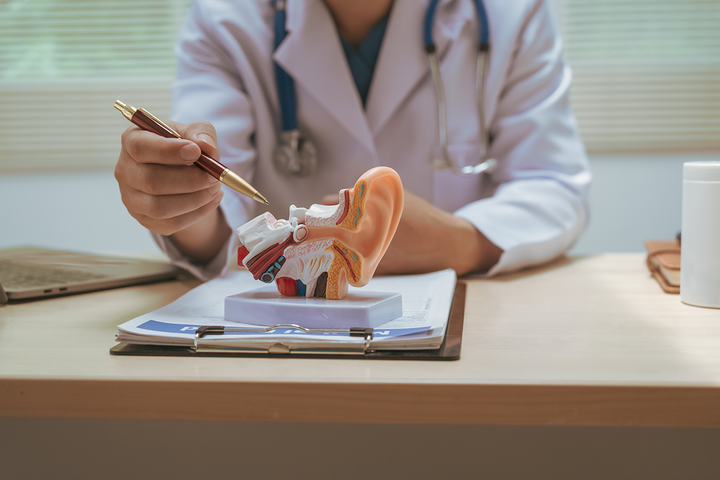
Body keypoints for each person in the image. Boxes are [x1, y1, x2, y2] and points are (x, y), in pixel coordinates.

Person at [115, 0, 591, 281]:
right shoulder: (225, 19)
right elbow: (219, 221)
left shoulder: (510, 13)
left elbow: (553, 185)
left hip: (464, 330)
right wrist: (181, 201)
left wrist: (462, 243)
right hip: (286, 338)